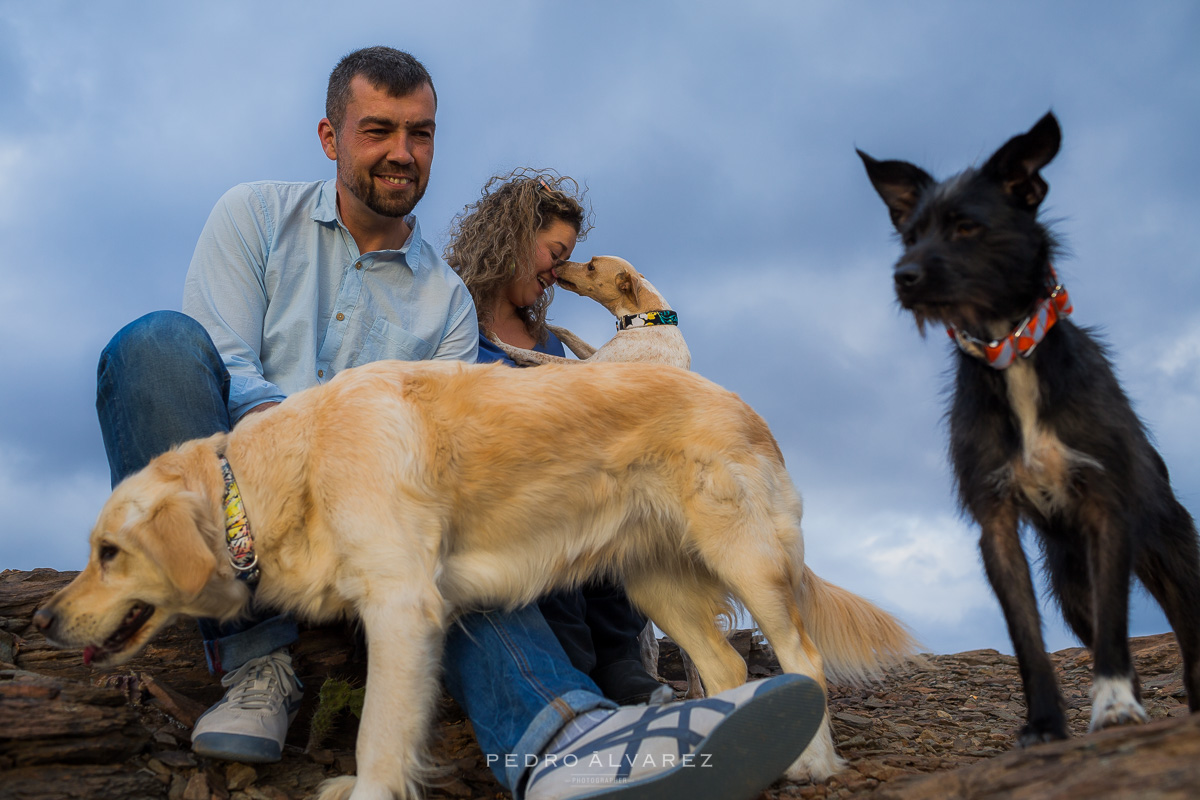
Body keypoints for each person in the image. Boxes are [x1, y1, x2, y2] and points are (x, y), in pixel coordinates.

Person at [95, 45, 821, 799]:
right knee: (157, 345)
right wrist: (312, 440)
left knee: (451, 518)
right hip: (251, 530)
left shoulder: (445, 306)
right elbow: (221, 353)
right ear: (329, 137)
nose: (402, 154)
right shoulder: (251, 216)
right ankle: (255, 663)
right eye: (378, 131)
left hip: (380, 550)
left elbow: (461, 457)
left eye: (421, 134)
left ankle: (561, 735)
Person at [446, 168, 670, 707]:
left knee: (620, 495)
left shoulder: (550, 341)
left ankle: (619, 658)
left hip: (570, 482)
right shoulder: (452, 322)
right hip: (496, 487)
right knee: (556, 508)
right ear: (514, 235)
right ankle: (575, 675)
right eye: (555, 251)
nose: (560, 269)